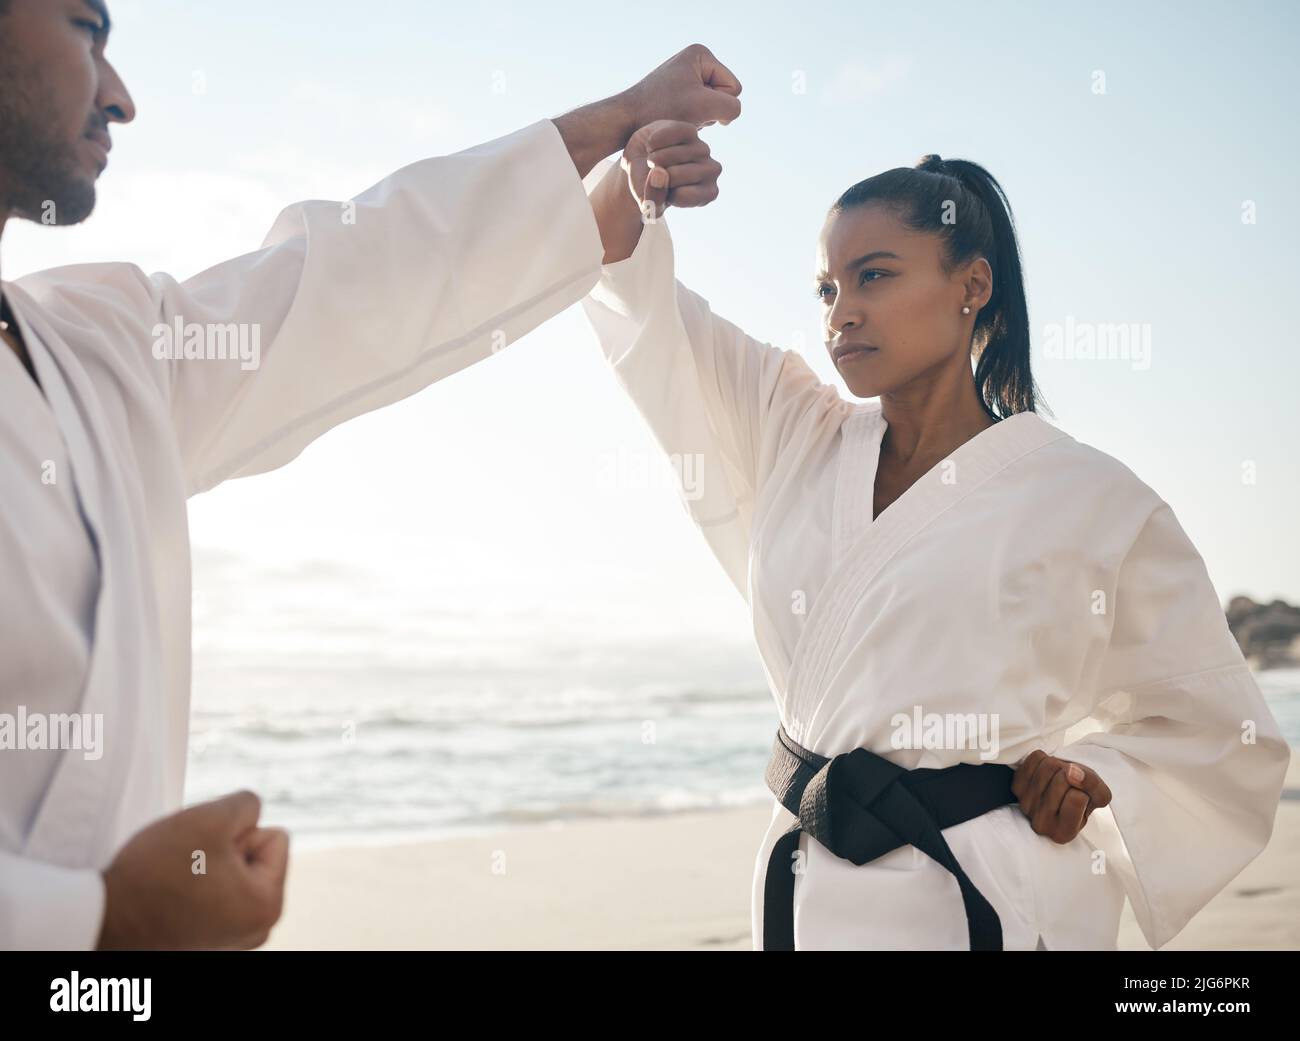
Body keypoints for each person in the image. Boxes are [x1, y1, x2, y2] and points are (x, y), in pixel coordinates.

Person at [0, 0, 742, 951]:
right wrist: (100, 920)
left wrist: (598, 168)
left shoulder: (88, 352)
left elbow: (340, 286)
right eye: (83, 29)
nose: (121, 96)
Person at [580, 120, 1291, 950]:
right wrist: (635, 175)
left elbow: (1217, 727)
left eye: (873, 276)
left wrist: (1094, 777)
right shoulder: (789, 424)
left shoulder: (1091, 496)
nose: (842, 312)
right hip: (807, 886)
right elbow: (629, 293)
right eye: (826, 289)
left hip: (984, 895)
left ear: (972, 285)